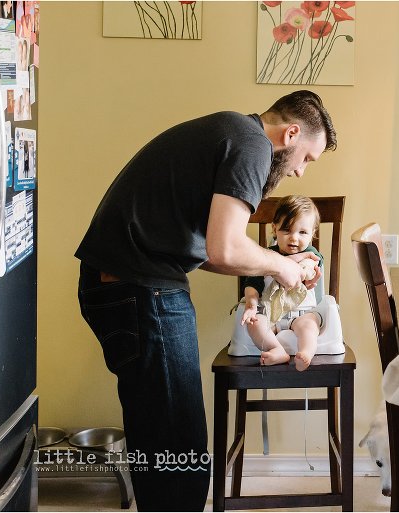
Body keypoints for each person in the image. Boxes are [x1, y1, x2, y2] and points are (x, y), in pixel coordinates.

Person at [74, 90, 336, 512]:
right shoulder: (252, 145)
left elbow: (210, 250)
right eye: (307, 158)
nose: (302, 173)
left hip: (126, 283)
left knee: (161, 435)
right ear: (290, 134)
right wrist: (280, 267)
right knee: (179, 443)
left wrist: (271, 263)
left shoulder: (232, 131)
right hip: (141, 289)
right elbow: (225, 249)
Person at [239, 195, 325, 371]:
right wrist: (251, 305)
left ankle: (306, 352)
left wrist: (300, 258)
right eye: (286, 230)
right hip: (270, 315)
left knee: (310, 325)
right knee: (255, 322)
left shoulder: (312, 255)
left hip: (301, 314)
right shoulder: (264, 257)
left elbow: (308, 268)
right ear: (274, 228)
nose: (293, 238)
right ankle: (276, 349)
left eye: (302, 232)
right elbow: (252, 284)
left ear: (312, 233)